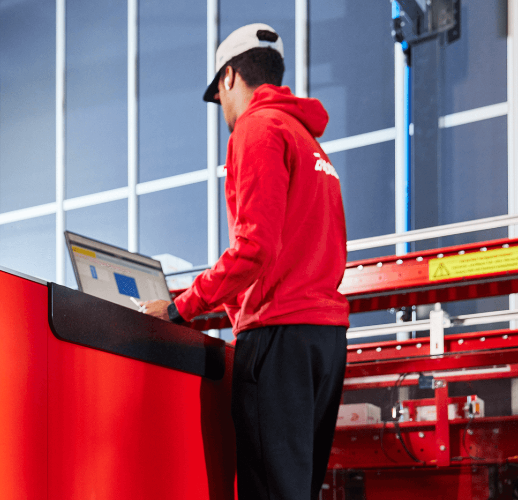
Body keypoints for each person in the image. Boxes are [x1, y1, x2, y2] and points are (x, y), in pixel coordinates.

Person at [142, 23, 350, 500]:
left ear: (230, 77)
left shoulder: (256, 130)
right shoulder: (307, 140)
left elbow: (255, 248)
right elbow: (301, 250)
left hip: (280, 338)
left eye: (218, 94)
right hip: (323, 341)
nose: (222, 107)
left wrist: (178, 308)